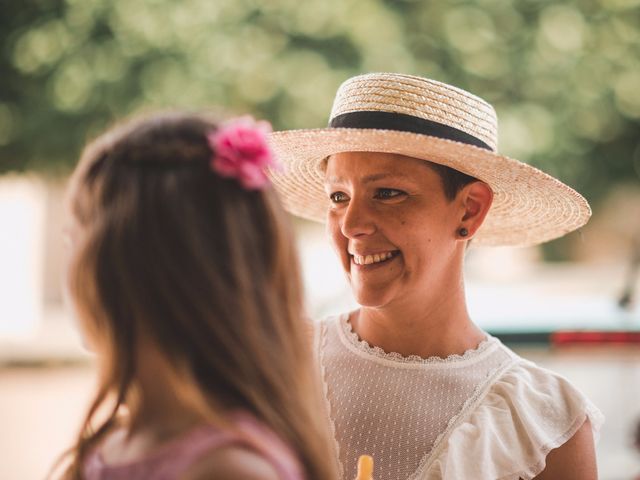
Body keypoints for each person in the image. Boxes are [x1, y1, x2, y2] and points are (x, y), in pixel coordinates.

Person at [268, 72, 604, 480]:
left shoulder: (546, 425)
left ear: (469, 210)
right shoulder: (274, 363)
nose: (351, 223)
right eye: (339, 197)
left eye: (388, 193)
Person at [53, 112, 338, 480]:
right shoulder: (109, 444)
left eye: (75, 239)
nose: (69, 265)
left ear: (141, 268)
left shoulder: (230, 470)